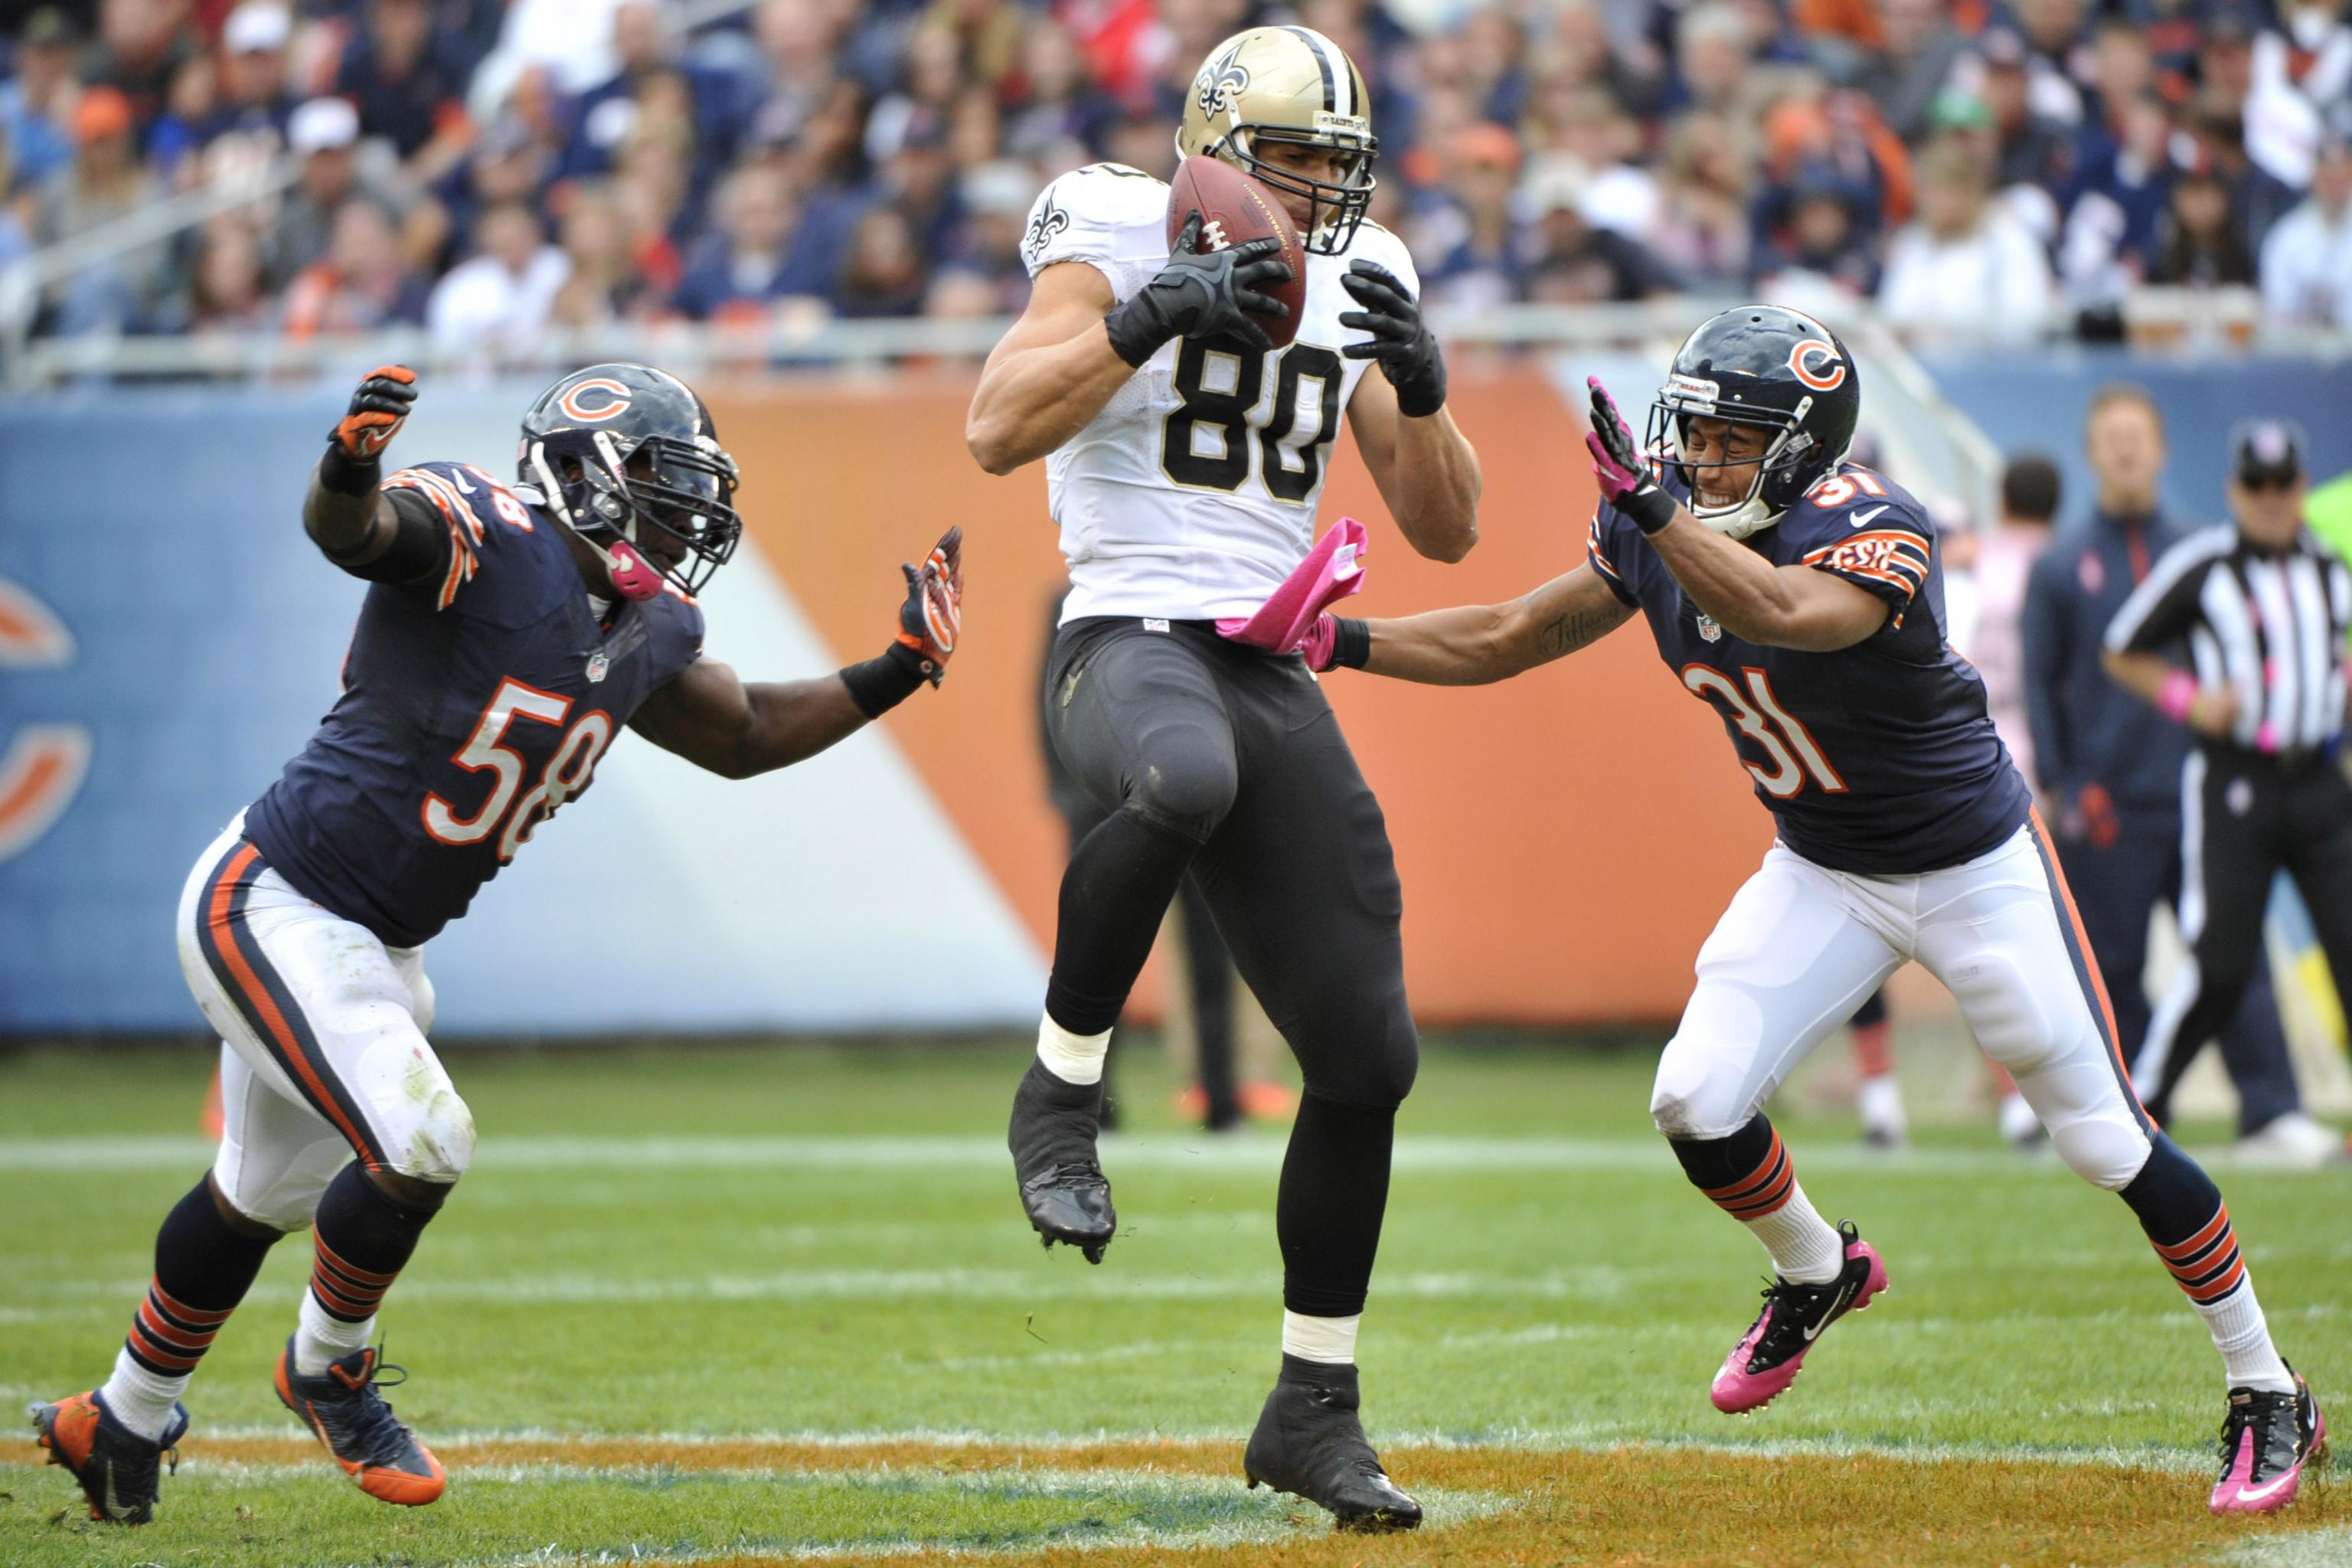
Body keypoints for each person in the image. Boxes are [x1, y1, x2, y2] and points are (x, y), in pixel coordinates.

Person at [1286, 305, 2323, 1517]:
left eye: (1733, 441)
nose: (1700, 459)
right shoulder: (1659, 517)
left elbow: (1788, 615)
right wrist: (1337, 638)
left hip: (1973, 864)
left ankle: (2266, 1385)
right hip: (1825, 866)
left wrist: (1665, 518)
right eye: (1695, 434)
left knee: (2104, 1140)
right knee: (1694, 1098)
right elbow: (1512, 634)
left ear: (1800, 449)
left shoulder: (1875, 523)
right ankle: (1818, 1267)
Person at [28, 363, 963, 1526]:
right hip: (276, 900)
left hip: (377, 946)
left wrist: (901, 668)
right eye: (668, 486)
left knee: (255, 1193)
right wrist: (346, 465)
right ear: (589, 474)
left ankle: (116, 1419)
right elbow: (360, 533)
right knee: (425, 1140)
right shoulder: (489, 531)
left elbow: (747, 733)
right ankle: (329, 1367)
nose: (690, 518)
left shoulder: (651, 622)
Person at [964, 24, 1480, 1531]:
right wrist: (1153, 314)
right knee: (1178, 778)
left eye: (1342, 167)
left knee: (1370, 1057)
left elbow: (1444, 526)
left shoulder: (1363, 265)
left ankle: (1313, 1405)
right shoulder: (1113, 219)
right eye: (1301, 164)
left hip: (1271, 660)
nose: (1326, 194)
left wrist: (1426, 388)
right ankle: (1062, 1089)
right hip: (1124, 627)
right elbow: (996, 424)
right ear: (1220, 150)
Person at [2024, 386, 2324, 1163]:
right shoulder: (2061, 564)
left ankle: (2271, 1107)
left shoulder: (2203, 551)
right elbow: (2041, 678)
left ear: (2159, 449)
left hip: (2206, 791)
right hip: (2108, 800)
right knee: (2111, 967)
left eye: (2139, 437)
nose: (2127, 450)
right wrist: (2060, 784)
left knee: (2232, 952)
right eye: (2112, 438)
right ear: (2092, 453)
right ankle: (2132, 1118)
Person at [2103, 420, 2352, 1143]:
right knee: (2219, 962)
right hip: (2237, 781)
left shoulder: (2330, 567)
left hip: (2320, 780)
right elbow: (2124, 648)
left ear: (2302, 489)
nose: (2271, 500)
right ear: (2234, 490)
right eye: (2257, 486)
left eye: (2284, 485)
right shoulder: (2205, 565)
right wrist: (2192, 701)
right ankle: (2144, 1102)